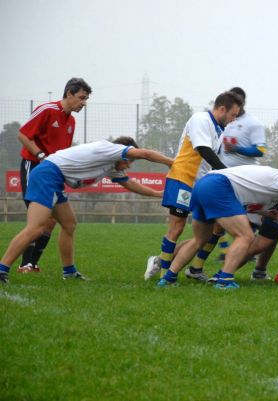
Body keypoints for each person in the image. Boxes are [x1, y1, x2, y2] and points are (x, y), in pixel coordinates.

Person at [0, 137, 172, 284]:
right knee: (36, 228)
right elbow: (146, 153)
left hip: (54, 178)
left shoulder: (111, 165)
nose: (128, 166)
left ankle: (69, 272)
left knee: (69, 224)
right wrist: (172, 163)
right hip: (47, 175)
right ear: (123, 151)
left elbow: (129, 183)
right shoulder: (110, 149)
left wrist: (158, 194)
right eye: (129, 161)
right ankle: (2, 270)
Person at [156, 165, 278, 289]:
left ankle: (168, 278)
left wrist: (266, 214)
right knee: (245, 236)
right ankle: (225, 280)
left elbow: (246, 205)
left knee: (199, 240)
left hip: (204, 184)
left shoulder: (267, 187)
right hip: (219, 186)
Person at [144, 91, 243, 281]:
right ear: (222, 109)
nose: (232, 120)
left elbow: (213, 158)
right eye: (232, 115)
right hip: (183, 178)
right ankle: (165, 274)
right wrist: (226, 173)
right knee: (177, 227)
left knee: (215, 227)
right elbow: (203, 150)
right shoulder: (201, 120)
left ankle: (193, 269)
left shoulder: (219, 130)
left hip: (201, 184)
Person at [16, 78, 92, 273]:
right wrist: (40, 155)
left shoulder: (71, 121)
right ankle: (19, 265)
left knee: (50, 221)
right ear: (69, 94)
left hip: (51, 173)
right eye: (82, 98)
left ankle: (31, 264)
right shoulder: (47, 109)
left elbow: (62, 153)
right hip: (33, 166)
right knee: (39, 221)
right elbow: (23, 135)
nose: (84, 103)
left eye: (86, 99)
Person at [214, 87, 268, 277]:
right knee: (216, 219)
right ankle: (221, 253)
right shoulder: (223, 121)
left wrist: (237, 148)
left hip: (245, 179)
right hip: (223, 177)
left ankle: (253, 258)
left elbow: (261, 150)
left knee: (258, 219)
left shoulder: (254, 124)